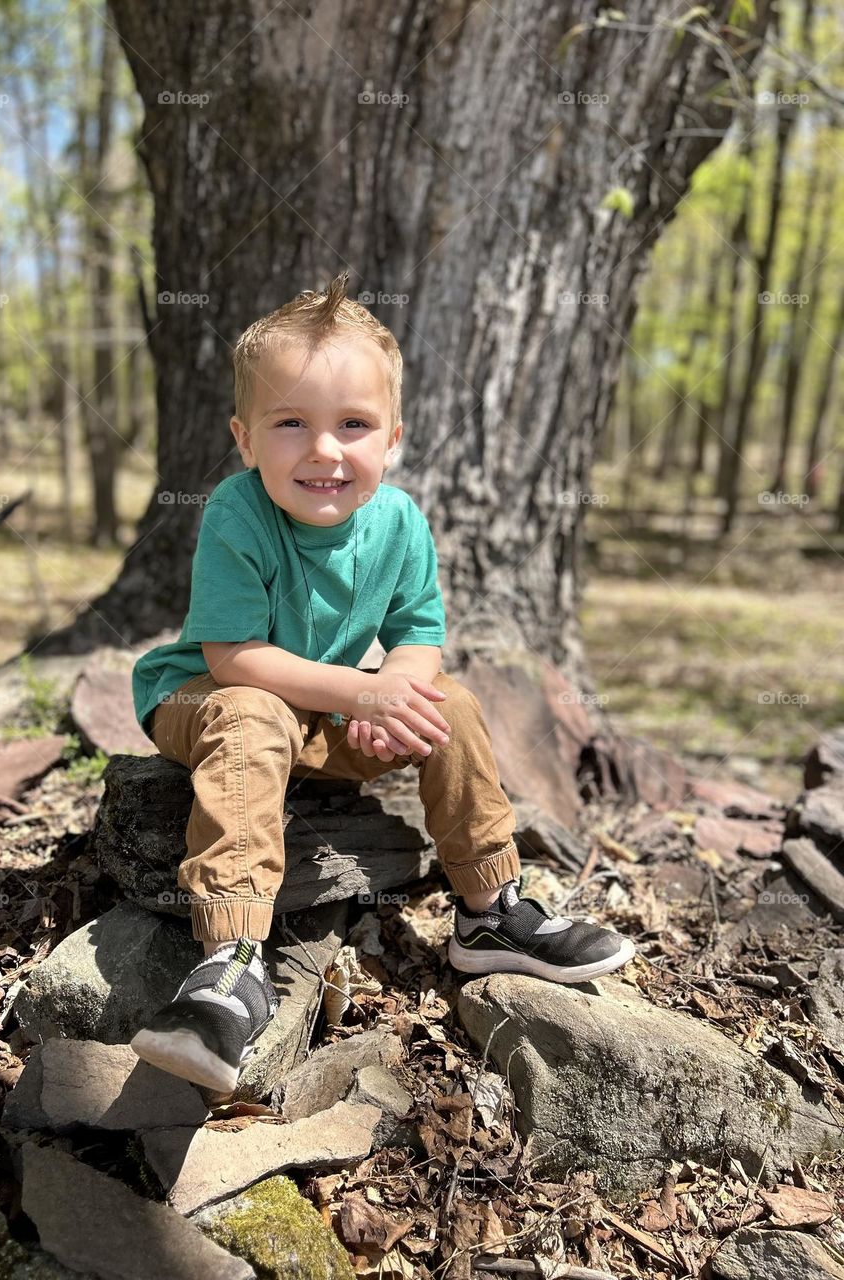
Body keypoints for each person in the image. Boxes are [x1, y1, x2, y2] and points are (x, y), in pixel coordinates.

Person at [128, 271, 635, 1094]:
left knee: (453, 701)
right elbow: (233, 659)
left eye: (352, 425)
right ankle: (231, 962)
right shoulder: (236, 512)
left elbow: (417, 637)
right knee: (253, 711)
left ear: (392, 438)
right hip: (207, 700)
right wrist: (356, 693)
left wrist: (391, 698)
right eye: (290, 423)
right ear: (245, 438)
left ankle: (488, 908)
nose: (324, 450)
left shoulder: (398, 522)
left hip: (322, 710)